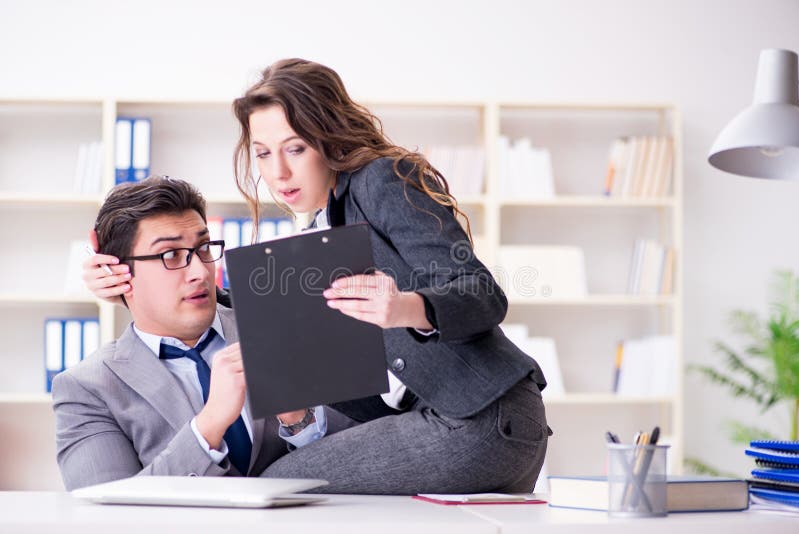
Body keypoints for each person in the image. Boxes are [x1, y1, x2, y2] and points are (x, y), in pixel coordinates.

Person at [85, 58, 550, 495]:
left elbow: (482, 292)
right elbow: (258, 307)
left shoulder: (381, 179)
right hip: (452, 420)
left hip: (481, 417)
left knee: (278, 485)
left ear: (329, 138)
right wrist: (130, 286)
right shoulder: (318, 225)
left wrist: (409, 308)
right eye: (263, 154)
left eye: (296, 148)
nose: (277, 172)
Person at [56, 176, 352, 491]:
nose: (200, 272)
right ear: (118, 271)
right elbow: (104, 512)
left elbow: (372, 448)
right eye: (170, 255)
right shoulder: (87, 388)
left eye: (204, 248)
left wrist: (300, 418)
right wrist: (207, 427)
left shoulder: (278, 327)